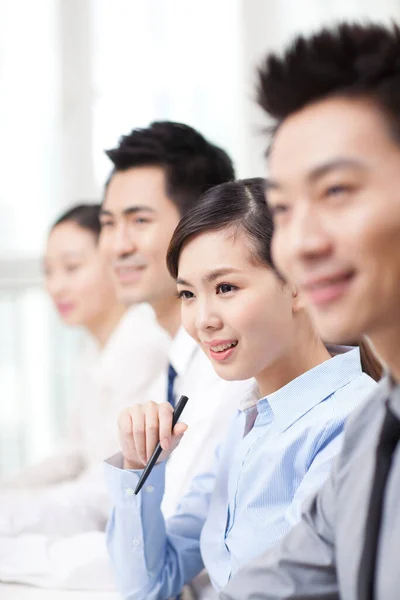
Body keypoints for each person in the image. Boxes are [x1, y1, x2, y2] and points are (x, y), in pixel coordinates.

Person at [104, 178, 378, 600]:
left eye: (226, 288)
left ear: (299, 285)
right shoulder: (247, 424)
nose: (202, 319)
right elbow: (148, 585)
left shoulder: (352, 424)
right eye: (188, 294)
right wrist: (140, 468)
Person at [221, 22, 400, 600]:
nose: (300, 244)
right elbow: (278, 584)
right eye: (284, 208)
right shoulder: (375, 429)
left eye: (337, 191)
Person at [0, 204, 170, 589]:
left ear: (113, 264)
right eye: (48, 271)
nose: (55, 286)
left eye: (72, 268)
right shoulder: (94, 350)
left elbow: (99, 492)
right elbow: (72, 455)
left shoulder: (142, 345)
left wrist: (8, 514)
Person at [99, 121, 253, 525]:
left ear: (199, 224)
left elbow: (167, 531)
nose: (118, 245)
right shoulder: (169, 370)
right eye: (108, 223)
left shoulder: (232, 370)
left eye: (139, 221)